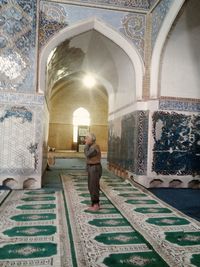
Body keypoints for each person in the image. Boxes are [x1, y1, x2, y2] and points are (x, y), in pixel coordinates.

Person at [84, 133, 102, 211]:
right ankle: (93, 202)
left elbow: (87, 154)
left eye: (87, 138)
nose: (85, 140)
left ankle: (96, 204)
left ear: (91, 139)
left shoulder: (95, 147)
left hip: (95, 168)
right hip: (92, 167)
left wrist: (86, 145)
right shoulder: (91, 146)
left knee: (94, 186)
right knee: (91, 186)